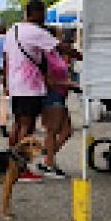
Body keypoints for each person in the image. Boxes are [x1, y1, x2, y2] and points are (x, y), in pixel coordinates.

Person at [3, 0, 81, 182]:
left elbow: (6, 58)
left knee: (17, 125)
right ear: (38, 13)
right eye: (43, 13)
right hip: (29, 86)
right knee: (27, 127)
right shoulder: (36, 32)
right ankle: (20, 168)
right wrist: (83, 56)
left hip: (16, 85)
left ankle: (11, 164)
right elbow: (61, 48)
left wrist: (6, 83)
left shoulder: (13, 29)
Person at [38, 28, 76, 179]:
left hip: (60, 94)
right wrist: (69, 84)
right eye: (58, 37)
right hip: (52, 94)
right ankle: (49, 163)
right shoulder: (46, 55)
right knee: (52, 131)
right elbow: (48, 80)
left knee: (67, 131)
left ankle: (47, 158)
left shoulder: (55, 53)